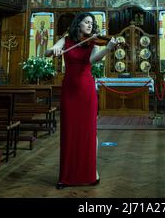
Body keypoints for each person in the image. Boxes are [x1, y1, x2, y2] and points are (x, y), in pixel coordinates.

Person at [46, 12, 116, 188]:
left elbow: (93, 59)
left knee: (89, 131)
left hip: (86, 91)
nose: (90, 25)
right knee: (69, 132)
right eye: (86, 22)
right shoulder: (66, 40)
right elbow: (48, 52)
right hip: (69, 91)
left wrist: (107, 48)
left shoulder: (93, 42)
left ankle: (92, 172)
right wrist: (53, 50)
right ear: (78, 24)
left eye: (92, 23)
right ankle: (66, 176)